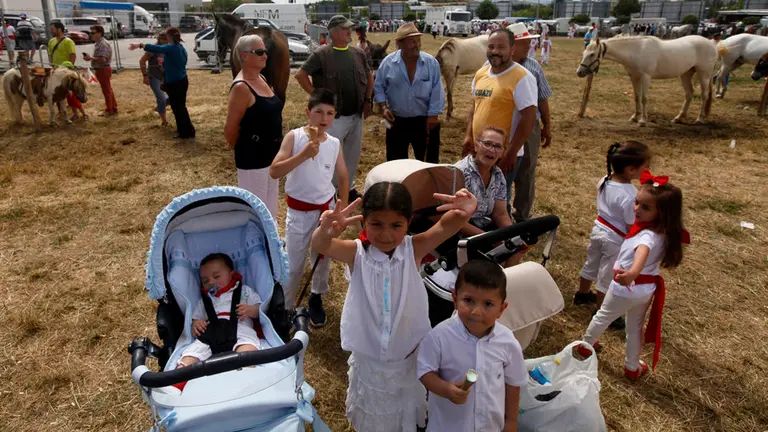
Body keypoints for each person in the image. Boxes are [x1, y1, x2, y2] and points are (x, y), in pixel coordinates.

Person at [311, 182, 477, 431]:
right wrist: (325, 230)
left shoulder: (414, 249)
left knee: (403, 417)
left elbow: (445, 227)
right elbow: (321, 246)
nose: (386, 235)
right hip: (370, 362)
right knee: (373, 417)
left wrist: (466, 210)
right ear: (364, 221)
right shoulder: (356, 253)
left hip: (407, 357)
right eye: (377, 224)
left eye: (396, 225)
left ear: (408, 222)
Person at [579, 171, 689, 380]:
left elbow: (642, 253)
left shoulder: (646, 236)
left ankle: (586, 345)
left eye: (645, 207)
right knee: (635, 327)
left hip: (626, 285)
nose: (636, 209)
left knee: (603, 315)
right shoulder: (664, 232)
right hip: (645, 290)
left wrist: (631, 273)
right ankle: (631, 366)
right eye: (637, 202)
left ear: (662, 213)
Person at [269, 89, 349, 327]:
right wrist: (303, 155)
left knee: (322, 258)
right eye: (318, 112)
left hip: (325, 209)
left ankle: (316, 296)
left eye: (330, 113)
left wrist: (341, 210)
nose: (323, 118)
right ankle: (287, 305)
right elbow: (275, 171)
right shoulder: (295, 138)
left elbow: (343, 176)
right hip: (299, 212)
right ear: (308, 112)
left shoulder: (334, 143)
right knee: (294, 263)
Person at [418, 260, 525, 432]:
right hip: (447, 426)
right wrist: (446, 390)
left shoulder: (507, 342)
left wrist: (511, 421)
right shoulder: (439, 336)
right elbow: (425, 372)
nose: (476, 312)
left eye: (488, 304)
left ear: (502, 309)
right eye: (469, 300)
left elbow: (513, 383)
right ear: (455, 298)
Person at [574, 142, 651, 331]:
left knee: (591, 262)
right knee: (608, 275)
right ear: (631, 169)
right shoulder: (631, 195)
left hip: (598, 229)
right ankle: (601, 309)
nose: (647, 170)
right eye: (645, 167)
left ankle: (583, 293)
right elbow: (630, 224)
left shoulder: (605, 180)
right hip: (615, 239)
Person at [296, 15, 373, 202]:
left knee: (352, 155)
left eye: (350, 29)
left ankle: (349, 187)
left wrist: (368, 100)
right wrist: (317, 97)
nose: (350, 32)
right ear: (335, 32)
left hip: (356, 114)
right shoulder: (322, 55)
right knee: (329, 154)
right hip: (335, 118)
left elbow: (370, 76)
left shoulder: (358, 54)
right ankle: (327, 190)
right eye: (346, 29)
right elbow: (301, 75)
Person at [462, 26, 538, 213]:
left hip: (502, 154)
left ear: (512, 49)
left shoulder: (522, 77)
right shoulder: (481, 73)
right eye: (491, 46)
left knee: (498, 202)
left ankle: (499, 235)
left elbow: (529, 117)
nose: (495, 51)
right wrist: (468, 137)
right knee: (475, 193)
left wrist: (511, 153)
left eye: (501, 47)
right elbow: (475, 107)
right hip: (479, 149)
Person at [223, 34, 284, 218]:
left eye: (264, 51)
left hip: (272, 156)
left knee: (271, 209)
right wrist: (247, 148)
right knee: (256, 212)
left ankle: (271, 244)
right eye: (259, 52)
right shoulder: (241, 87)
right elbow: (230, 130)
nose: (265, 55)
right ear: (244, 55)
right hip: (253, 158)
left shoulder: (262, 79)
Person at [176, 253, 261, 370]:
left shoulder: (244, 291)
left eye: (216, 277)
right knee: (193, 351)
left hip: (239, 326)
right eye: (205, 281)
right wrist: (196, 324)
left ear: (231, 274)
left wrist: (251, 310)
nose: (210, 282)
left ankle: (247, 369)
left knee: (247, 346)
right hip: (211, 331)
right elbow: (196, 318)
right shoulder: (205, 300)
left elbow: (261, 310)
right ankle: (181, 373)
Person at [374, 22, 444, 163]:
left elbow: (437, 90)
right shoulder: (388, 63)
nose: (416, 45)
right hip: (397, 121)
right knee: (396, 163)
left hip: (425, 121)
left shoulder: (431, 63)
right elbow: (379, 86)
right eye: (412, 41)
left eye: (418, 41)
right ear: (400, 44)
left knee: (428, 163)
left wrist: (433, 115)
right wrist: (383, 107)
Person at [508, 23, 553, 222]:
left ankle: (522, 214)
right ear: (512, 45)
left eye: (529, 42)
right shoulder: (492, 66)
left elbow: (542, 99)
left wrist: (547, 126)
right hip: (502, 125)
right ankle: (499, 211)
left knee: (526, 170)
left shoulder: (533, 67)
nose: (529, 46)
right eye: (524, 43)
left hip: (529, 128)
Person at [130, 27, 195, 139]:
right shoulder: (180, 47)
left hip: (175, 83)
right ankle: (188, 130)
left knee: (177, 108)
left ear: (169, 36)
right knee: (181, 107)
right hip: (183, 80)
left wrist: (139, 45)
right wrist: (164, 64)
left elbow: (155, 48)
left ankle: (184, 132)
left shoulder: (171, 47)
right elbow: (181, 63)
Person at [455, 126, 513, 236]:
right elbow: (455, 220)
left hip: (485, 231)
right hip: (460, 233)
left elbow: (500, 214)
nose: (491, 150)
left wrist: (513, 235)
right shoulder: (460, 172)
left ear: (502, 153)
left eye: (498, 146)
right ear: (476, 146)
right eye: (487, 144)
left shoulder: (498, 175)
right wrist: (489, 240)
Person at [48, 22, 87, 121]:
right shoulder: (51, 41)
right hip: (56, 71)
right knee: (57, 93)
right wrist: (52, 67)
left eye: (52, 28)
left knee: (70, 94)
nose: (51, 30)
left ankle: (81, 113)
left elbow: (72, 55)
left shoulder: (68, 41)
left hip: (66, 72)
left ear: (59, 29)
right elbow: (51, 56)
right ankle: (61, 112)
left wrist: (69, 70)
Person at [84, 25, 117, 116]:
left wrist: (90, 58)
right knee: (108, 89)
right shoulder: (100, 43)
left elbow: (103, 59)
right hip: (102, 69)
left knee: (106, 91)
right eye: (91, 33)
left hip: (103, 69)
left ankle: (109, 110)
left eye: (93, 33)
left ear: (100, 33)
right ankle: (113, 107)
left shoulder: (102, 44)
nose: (91, 35)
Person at [140, 32, 169, 127]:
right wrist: (145, 76)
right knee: (161, 98)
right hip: (154, 76)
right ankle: (164, 121)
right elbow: (142, 61)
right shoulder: (153, 49)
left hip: (165, 76)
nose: (167, 42)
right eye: (165, 40)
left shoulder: (168, 48)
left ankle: (159, 107)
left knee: (174, 97)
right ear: (160, 39)